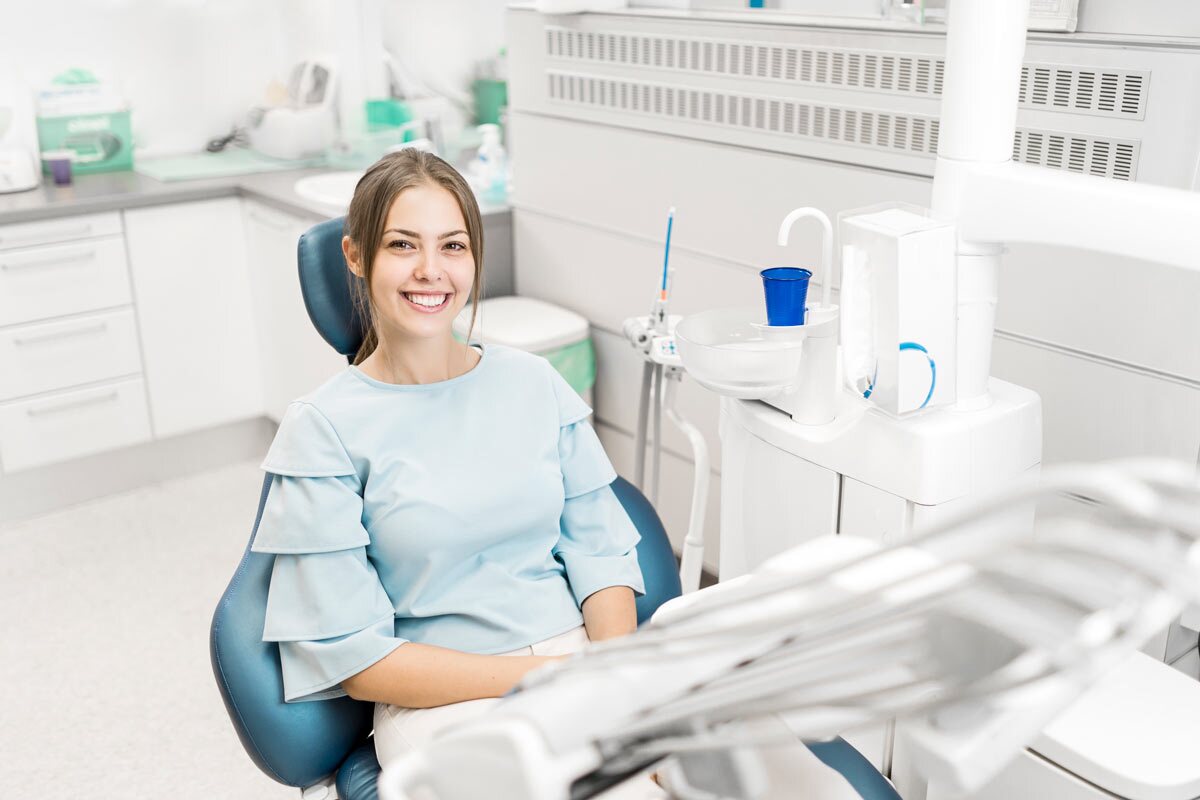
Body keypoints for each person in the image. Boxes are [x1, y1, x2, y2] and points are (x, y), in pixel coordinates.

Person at [250, 149, 657, 792]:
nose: (431, 271)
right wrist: (544, 677)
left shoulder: (533, 382)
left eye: (453, 246)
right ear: (356, 258)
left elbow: (600, 552)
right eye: (403, 245)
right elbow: (359, 659)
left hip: (579, 663)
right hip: (445, 702)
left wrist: (614, 681)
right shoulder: (324, 429)